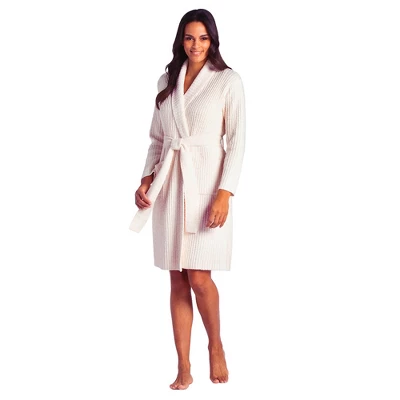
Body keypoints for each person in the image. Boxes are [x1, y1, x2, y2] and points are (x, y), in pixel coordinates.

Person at [129, 8, 245, 390]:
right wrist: (146, 180)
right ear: (181, 40)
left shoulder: (228, 81)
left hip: (206, 184)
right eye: (190, 38)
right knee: (176, 277)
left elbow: (237, 142)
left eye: (203, 38)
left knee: (199, 276)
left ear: (213, 40)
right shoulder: (167, 81)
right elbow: (158, 139)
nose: (196, 45)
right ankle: (183, 366)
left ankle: (216, 345)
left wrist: (224, 193)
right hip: (169, 186)